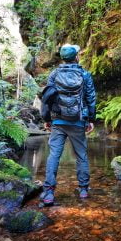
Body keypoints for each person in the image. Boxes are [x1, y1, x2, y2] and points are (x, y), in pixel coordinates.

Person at [40, 44, 96, 206]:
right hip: (78, 121)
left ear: (63, 58)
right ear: (76, 57)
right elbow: (91, 98)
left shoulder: (54, 74)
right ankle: (84, 189)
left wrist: (46, 119)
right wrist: (90, 119)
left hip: (58, 121)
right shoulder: (85, 75)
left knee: (54, 155)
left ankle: (49, 191)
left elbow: (47, 98)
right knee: (81, 155)